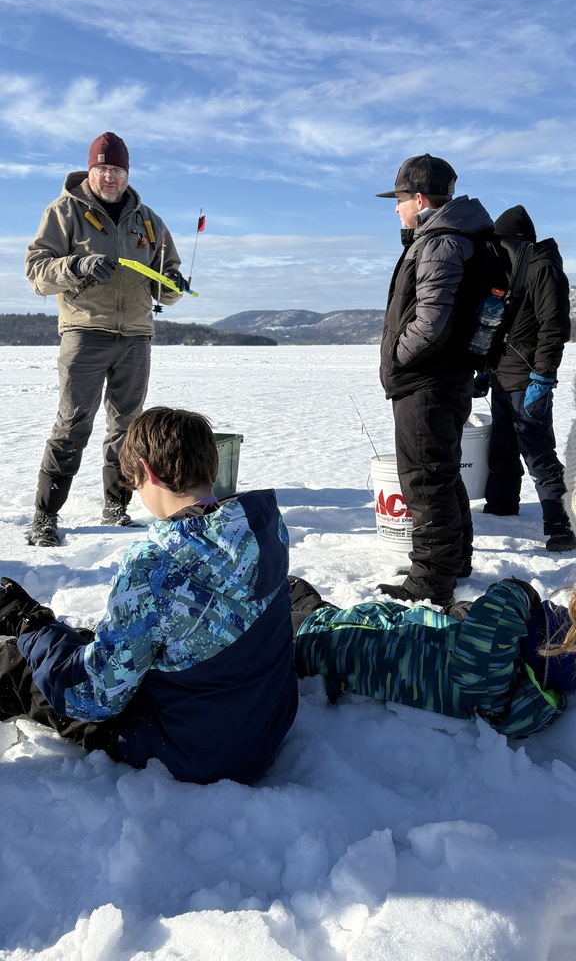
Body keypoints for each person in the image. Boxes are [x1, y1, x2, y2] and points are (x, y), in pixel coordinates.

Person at [0, 408, 298, 784]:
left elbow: (92, 695)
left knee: (17, 668)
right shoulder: (261, 528)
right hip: (264, 727)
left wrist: (31, 622)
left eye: (134, 481)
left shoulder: (156, 566)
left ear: (148, 472)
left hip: (193, 752)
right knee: (96, 644)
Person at [26, 132, 188, 547]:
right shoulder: (65, 212)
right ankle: (45, 516)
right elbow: (37, 272)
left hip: (135, 335)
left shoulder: (148, 220)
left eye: (116, 170)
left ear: (127, 172)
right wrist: (77, 265)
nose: (109, 177)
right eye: (102, 169)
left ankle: (116, 507)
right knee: (73, 423)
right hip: (85, 331)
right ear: (90, 170)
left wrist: (172, 283)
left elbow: (166, 285)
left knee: (128, 427)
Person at [376, 154, 494, 608]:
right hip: (441, 379)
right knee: (441, 473)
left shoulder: (440, 243)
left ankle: (430, 581)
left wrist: (398, 361)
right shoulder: (444, 238)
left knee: (425, 481)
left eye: (401, 199)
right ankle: (450, 561)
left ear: (420, 198)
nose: (396, 208)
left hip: (426, 382)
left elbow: (430, 322)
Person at [290, 574, 573, 738]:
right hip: (344, 622)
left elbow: (497, 613)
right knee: (292, 585)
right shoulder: (500, 671)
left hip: (320, 650)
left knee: (266, 608)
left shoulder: (493, 683)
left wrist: (521, 591)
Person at [475, 205, 575, 552]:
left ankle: (562, 522)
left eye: (499, 243)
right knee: (501, 451)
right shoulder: (513, 271)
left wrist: (543, 376)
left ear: (515, 242)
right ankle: (500, 511)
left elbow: (555, 327)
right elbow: (497, 326)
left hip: (527, 378)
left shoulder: (543, 268)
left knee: (537, 453)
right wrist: (484, 369)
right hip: (503, 376)